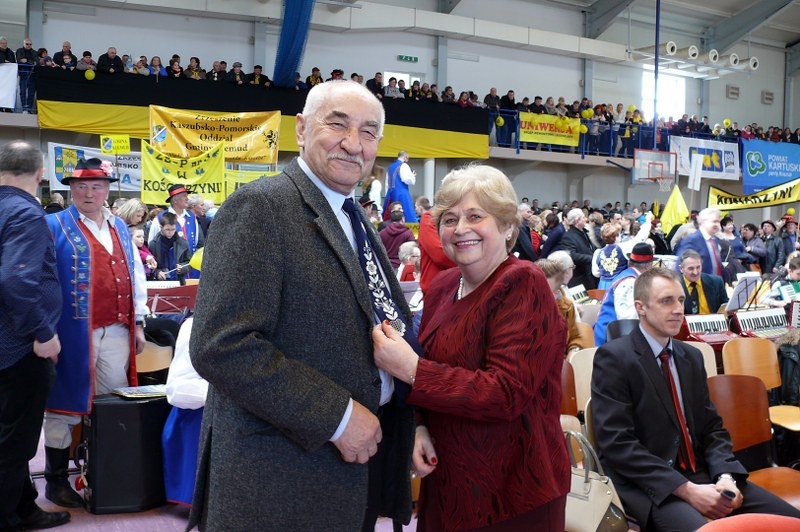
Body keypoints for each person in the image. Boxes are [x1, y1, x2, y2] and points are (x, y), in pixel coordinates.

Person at [186, 80, 415, 531]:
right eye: (338, 124)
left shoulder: (353, 216)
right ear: (301, 129)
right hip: (281, 479)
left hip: (350, 471)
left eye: (369, 132)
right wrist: (339, 418)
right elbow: (221, 345)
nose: (354, 143)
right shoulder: (261, 206)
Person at [372, 164, 570, 531]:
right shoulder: (444, 285)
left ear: (507, 226)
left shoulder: (523, 283)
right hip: (448, 482)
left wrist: (412, 369)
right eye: (449, 219)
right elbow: (431, 370)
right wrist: (419, 427)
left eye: (475, 216)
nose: (460, 228)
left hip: (513, 492)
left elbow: (505, 393)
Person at [591, 267, 800, 531]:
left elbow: (711, 427)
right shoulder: (614, 358)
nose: (678, 309)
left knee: (791, 522)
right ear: (640, 307)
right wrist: (686, 489)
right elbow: (617, 443)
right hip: (650, 483)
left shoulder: (690, 356)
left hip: (702, 471)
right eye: (666, 301)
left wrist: (725, 477)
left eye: (680, 300)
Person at [43, 157, 149, 508]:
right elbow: (40, 282)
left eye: (96, 187)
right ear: (71, 189)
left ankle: (101, 472)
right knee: (64, 406)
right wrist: (44, 331)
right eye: (81, 187)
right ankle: (56, 481)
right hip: (72, 334)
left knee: (110, 404)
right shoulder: (53, 225)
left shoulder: (119, 227)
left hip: (117, 330)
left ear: (107, 191)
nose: (88, 193)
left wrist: (138, 322)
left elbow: (135, 275)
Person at [0, 141, 71, 531]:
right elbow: (16, 279)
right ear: (41, 174)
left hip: (7, 341)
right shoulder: (26, 214)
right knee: (16, 443)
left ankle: (24, 506)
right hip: (20, 345)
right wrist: (43, 333)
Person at [593, 242, 655, 346]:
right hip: (608, 340)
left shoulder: (631, 277)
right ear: (648, 266)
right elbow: (627, 318)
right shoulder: (629, 282)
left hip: (616, 336)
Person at [537, 258, 582, 357]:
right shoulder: (519, 309)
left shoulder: (566, 307)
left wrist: (573, 350)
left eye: (546, 291)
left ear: (557, 292)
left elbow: (575, 337)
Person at [674, 208, 724, 277]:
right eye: (714, 221)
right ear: (702, 222)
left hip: (715, 282)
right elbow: (681, 266)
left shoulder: (714, 240)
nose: (717, 224)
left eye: (718, 222)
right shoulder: (692, 240)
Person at [678, 250, 728, 315]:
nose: (695, 272)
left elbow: (726, 307)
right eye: (691, 268)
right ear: (681, 269)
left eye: (698, 267)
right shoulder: (675, 286)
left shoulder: (716, 282)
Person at [149, 212, 191, 284]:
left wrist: (183, 267)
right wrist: (157, 272)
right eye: (167, 229)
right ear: (161, 227)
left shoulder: (183, 243)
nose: (170, 232)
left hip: (178, 281)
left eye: (173, 229)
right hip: (160, 283)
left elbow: (189, 263)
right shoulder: (153, 244)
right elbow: (150, 266)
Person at [561, 208, 598, 289]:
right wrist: (592, 258)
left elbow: (590, 247)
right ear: (577, 220)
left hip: (589, 274)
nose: (586, 219)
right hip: (581, 278)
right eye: (583, 217)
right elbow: (572, 256)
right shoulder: (568, 236)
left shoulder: (583, 232)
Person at [383, 151, 418, 223]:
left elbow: (387, 183)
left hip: (390, 193)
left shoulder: (390, 167)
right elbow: (407, 179)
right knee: (407, 214)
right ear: (405, 157)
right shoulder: (404, 165)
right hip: (402, 193)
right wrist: (413, 176)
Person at [379, 202, 415, 269]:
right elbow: (412, 250)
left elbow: (379, 249)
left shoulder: (382, 233)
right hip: (403, 266)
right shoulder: (408, 233)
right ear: (402, 219)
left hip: (386, 265)